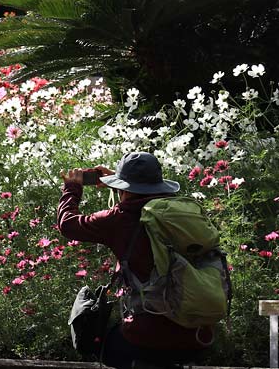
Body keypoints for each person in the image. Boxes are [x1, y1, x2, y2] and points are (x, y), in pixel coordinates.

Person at [58, 152, 213, 369]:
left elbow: (68, 224)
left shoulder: (119, 218)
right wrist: (119, 184)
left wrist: (72, 188)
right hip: (197, 335)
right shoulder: (181, 214)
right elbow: (145, 201)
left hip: (147, 335)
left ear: (124, 188)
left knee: (96, 344)